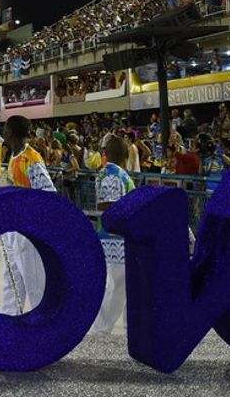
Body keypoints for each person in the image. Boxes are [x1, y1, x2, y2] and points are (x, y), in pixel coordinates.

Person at [1, 115, 56, 315]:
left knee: (34, 284)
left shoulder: (31, 158)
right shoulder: (13, 156)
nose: (3, 131)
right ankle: (9, 325)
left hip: (27, 231)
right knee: (12, 282)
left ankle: (41, 327)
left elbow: (48, 193)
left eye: (5, 128)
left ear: (11, 133)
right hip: (12, 229)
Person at [89, 135, 135, 334]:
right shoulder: (114, 175)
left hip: (114, 241)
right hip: (116, 242)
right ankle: (99, 332)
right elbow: (108, 206)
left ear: (106, 155)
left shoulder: (108, 173)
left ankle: (109, 330)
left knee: (121, 292)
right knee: (115, 291)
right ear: (126, 155)